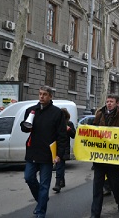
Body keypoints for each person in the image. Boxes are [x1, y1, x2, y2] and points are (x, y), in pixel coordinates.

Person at [20, 86, 67, 218]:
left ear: (50, 96)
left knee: (44, 185)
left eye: (45, 94)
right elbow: (25, 129)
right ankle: (42, 200)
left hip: (48, 154)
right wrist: (25, 124)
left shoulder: (57, 113)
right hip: (33, 152)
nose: (41, 97)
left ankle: (40, 211)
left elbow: (61, 136)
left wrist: (59, 155)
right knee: (28, 177)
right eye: (40, 94)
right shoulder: (31, 111)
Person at [91, 95, 119, 218]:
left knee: (115, 185)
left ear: (117, 103)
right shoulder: (100, 114)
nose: (109, 104)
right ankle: (95, 213)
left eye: (111, 102)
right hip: (99, 158)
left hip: (114, 159)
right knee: (97, 187)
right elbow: (93, 131)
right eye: (107, 101)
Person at [52, 108, 76, 193]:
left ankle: (58, 183)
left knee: (59, 165)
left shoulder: (69, 124)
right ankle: (61, 181)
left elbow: (74, 135)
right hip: (55, 147)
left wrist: (69, 129)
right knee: (60, 165)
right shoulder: (55, 124)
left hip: (64, 147)